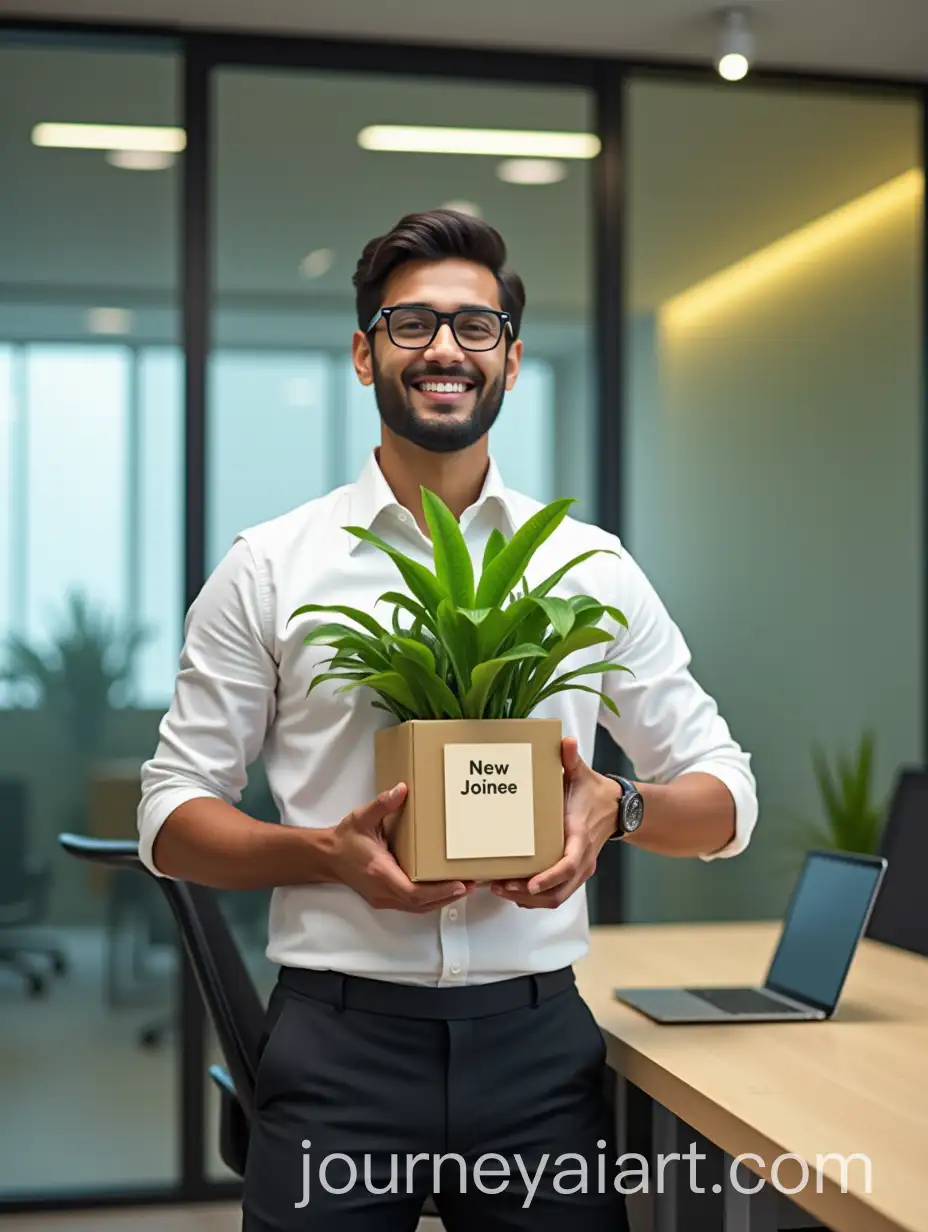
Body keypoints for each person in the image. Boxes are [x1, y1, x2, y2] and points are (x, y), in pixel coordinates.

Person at [137, 208, 758, 1230]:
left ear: (510, 361)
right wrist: (323, 852)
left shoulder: (585, 565)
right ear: (362, 352)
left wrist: (618, 805)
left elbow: (725, 793)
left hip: (536, 1048)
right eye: (410, 322)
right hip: (338, 1045)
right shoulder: (272, 564)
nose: (443, 348)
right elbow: (168, 816)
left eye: (475, 327)